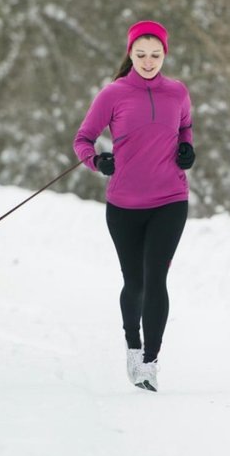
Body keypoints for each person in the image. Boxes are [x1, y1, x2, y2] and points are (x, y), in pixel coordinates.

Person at [74, 20, 195, 392]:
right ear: (130, 53)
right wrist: (99, 162)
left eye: (155, 54)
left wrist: (187, 150)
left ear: (165, 55)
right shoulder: (113, 94)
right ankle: (133, 345)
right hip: (124, 205)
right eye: (140, 54)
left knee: (157, 278)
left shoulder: (177, 92)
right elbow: (83, 140)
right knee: (136, 282)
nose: (147, 61)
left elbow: (186, 128)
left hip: (170, 200)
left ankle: (151, 362)